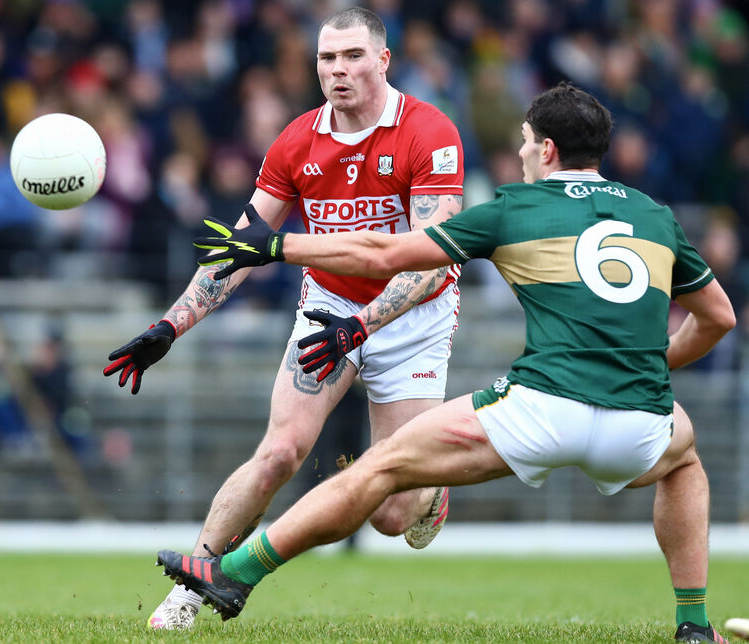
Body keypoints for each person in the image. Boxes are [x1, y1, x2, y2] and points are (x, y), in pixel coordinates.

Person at [158, 83, 736, 643]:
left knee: (375, 469)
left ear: (547, 150)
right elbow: (718, 318)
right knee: (684, 462)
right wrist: (653, 364)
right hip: (639, 424)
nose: (520, 152)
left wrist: (278, 246)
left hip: (540, 411)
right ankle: (691, 625)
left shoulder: (516, 208)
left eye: (525, 141)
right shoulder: (655, 216)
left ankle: (235, 573)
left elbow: (384, 251)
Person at [104, 7, 465, 630]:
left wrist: (365, 325)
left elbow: (433, 263)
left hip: (413, 317)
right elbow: (243, 245)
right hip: (328, 305)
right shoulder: (297, 140)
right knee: (280, 451)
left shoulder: (429, 132)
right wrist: (170, 327)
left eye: (353, 56)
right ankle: (195, 583)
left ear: (383, 60)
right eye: (327, 58)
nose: (338, 70)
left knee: (391, 515)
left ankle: (430, 493)